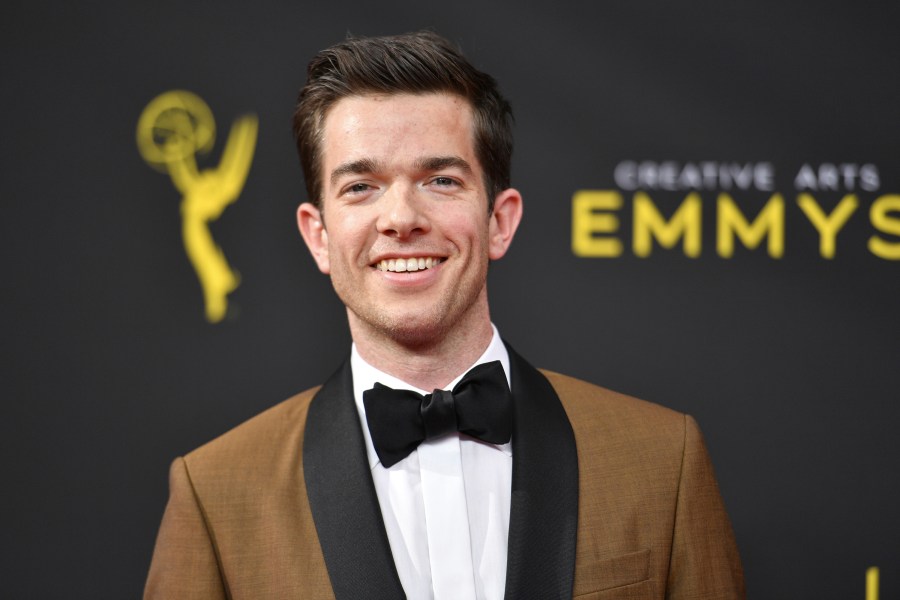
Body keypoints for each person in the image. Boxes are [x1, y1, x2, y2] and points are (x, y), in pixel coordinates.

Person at [145, 31, 745, 599]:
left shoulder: (663, 461)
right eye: (361, 187)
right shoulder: (215, 495)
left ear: (499, 220)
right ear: (318, 235)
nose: (401, 218)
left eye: (440, 179)